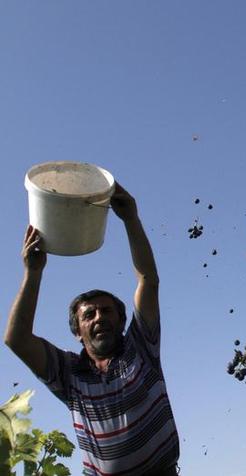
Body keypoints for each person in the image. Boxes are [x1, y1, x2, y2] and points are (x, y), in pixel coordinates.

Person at [4, 183, 180, 475]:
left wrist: (131, 220)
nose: (99, 317)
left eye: (107, 311)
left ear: (122, 322)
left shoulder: (141, 348)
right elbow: (17, 339)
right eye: (89, 315)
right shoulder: (69, 374)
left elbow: (148, 279)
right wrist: (33, 273)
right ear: (78, 332)